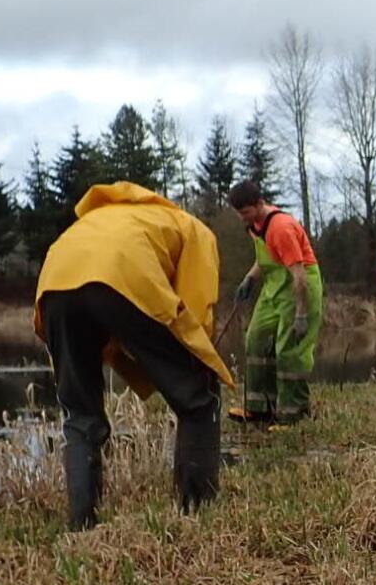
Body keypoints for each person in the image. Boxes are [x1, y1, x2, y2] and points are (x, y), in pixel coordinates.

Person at [33, 181, 230, 530]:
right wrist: (202, 362)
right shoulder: (191, 228)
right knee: (200, 398)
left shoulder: (99, 220)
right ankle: (198, 511)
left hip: (53, 286)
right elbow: (195, 307)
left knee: (80, 415)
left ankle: (82, 524)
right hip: (119, 276)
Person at [227, 180, 323, 423]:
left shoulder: (281, 228)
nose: (242, 218)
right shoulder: (253, 226)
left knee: (288, 351)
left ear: (260, 204)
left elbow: (299, 275)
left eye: (245, 212)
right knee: (255, 339)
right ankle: (259, 407)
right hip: (273, 289)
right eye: (238, 213)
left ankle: (295, 414)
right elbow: (266, 259)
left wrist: (301, 314)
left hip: (298, 288)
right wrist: (249, 279)